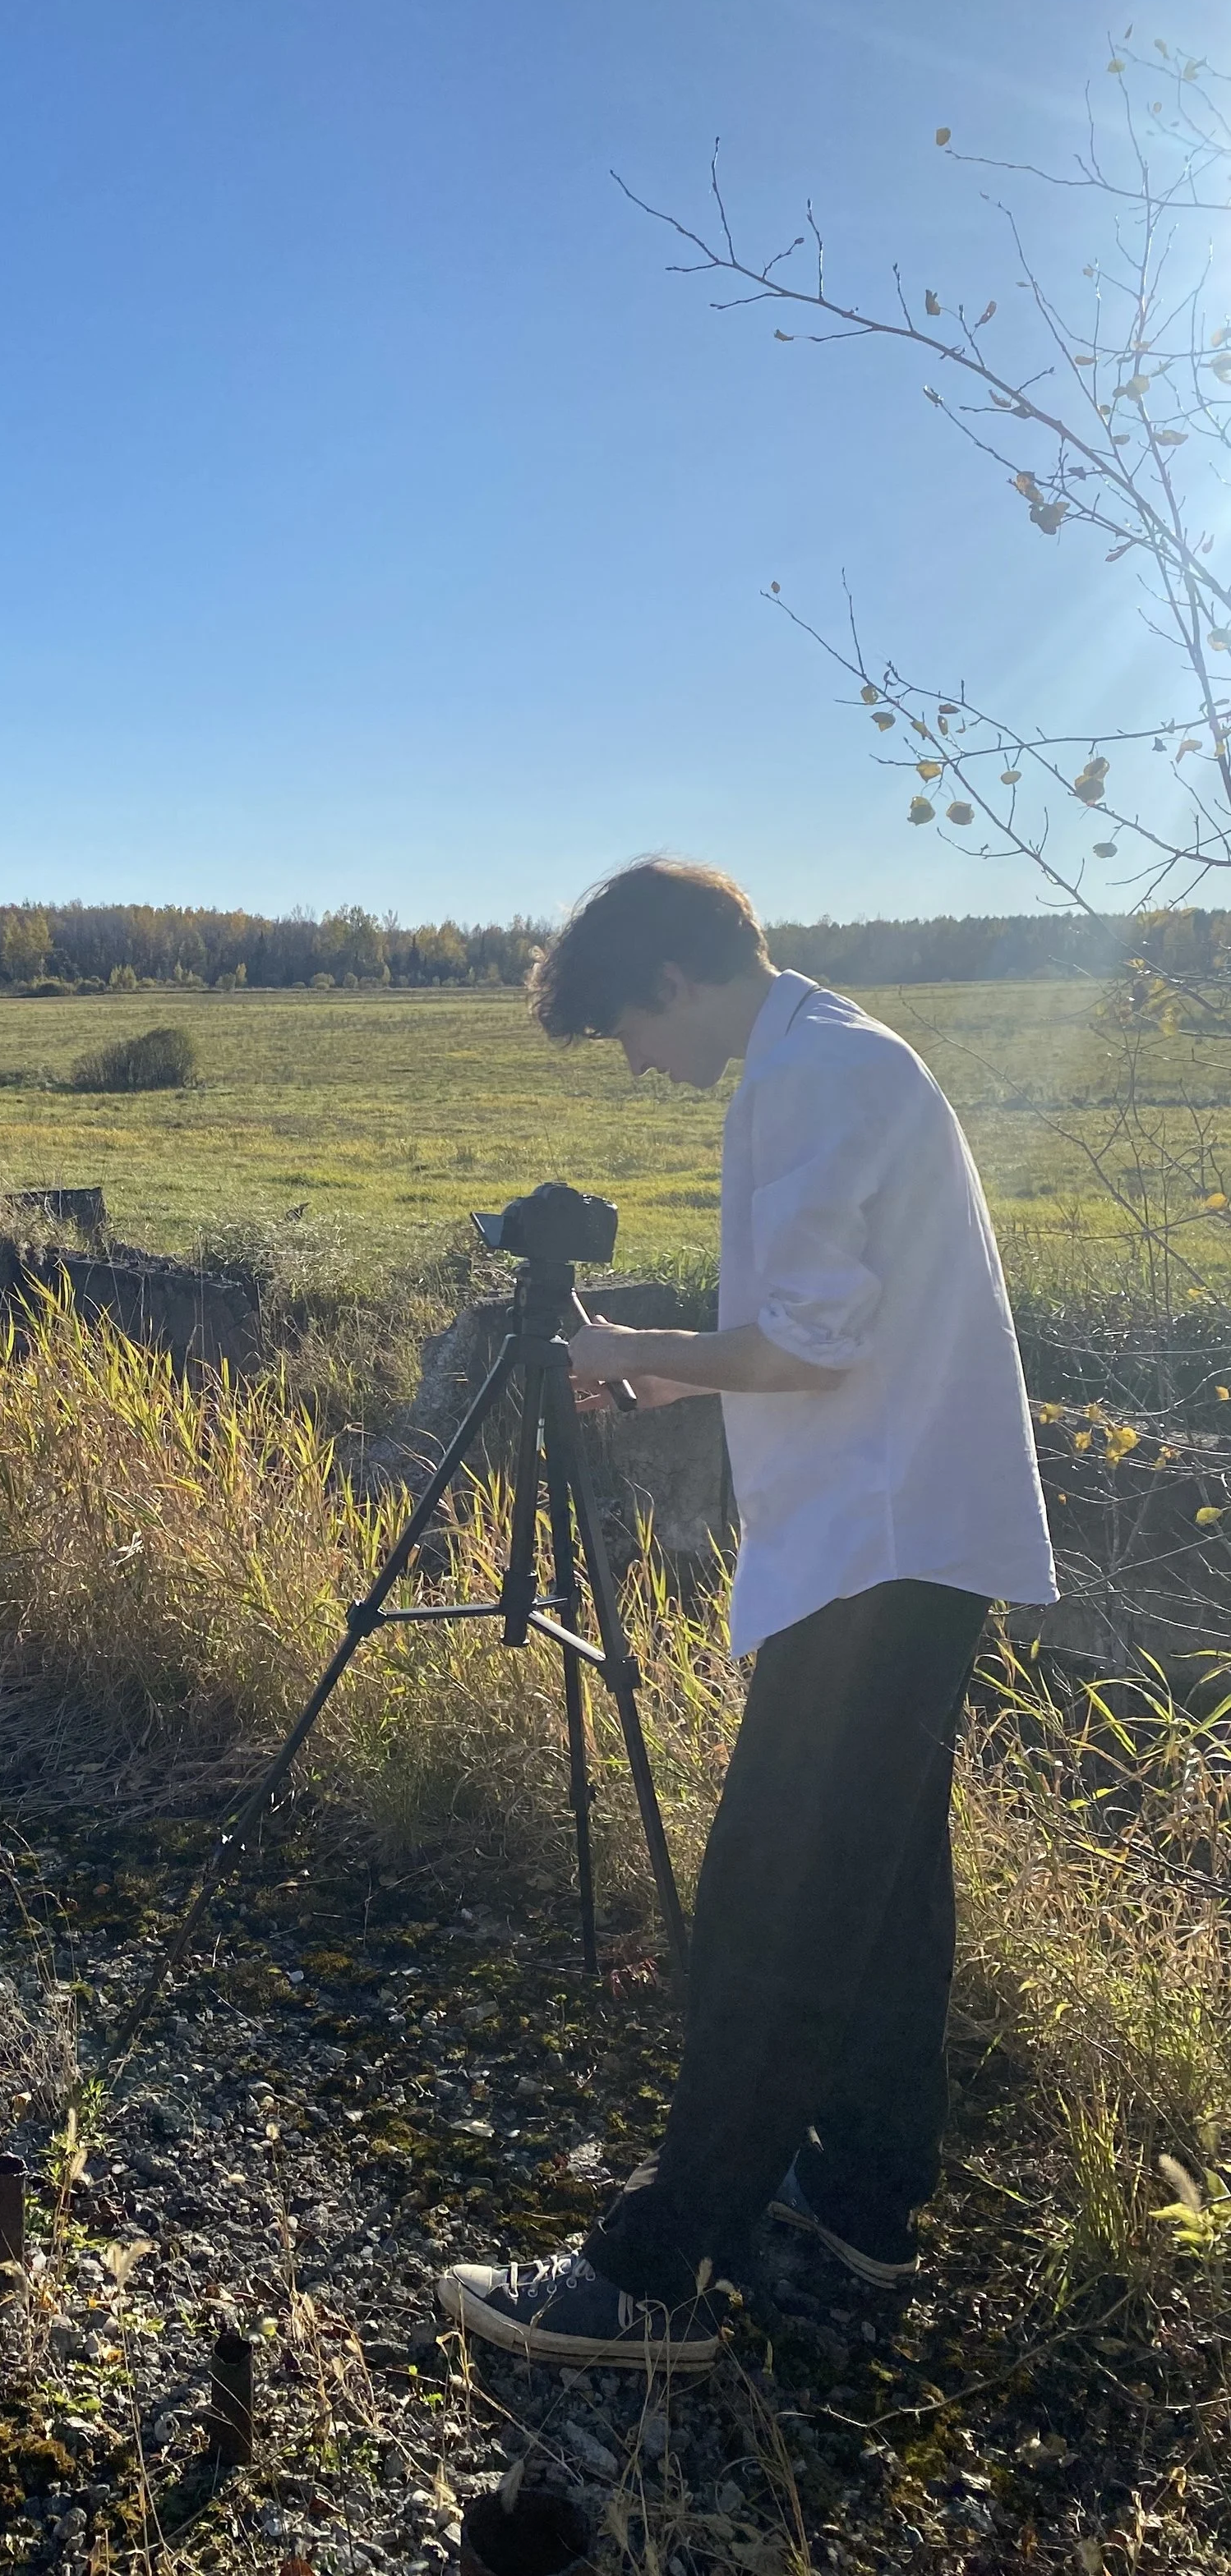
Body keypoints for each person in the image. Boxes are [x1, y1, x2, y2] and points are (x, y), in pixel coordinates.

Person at [435, 858, 1055, 2373]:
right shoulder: (833, 1053)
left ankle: (652, 2272)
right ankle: (859, 2207)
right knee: (884, 1892)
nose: (640, 1067)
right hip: (907, 1539)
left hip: (882, 1544)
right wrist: (664, 1370)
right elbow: (824, 1332)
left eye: (627, 1033)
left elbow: (812, 1344)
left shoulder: (817, 1078)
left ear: (669, 980)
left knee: (772, 1895)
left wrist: (638, 1344)